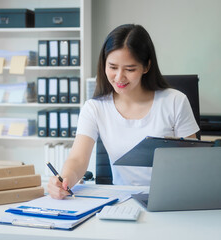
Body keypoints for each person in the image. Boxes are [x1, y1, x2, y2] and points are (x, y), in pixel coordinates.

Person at [47, 24, 199, 199]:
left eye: (130, 69)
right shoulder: (94, 108)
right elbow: (78, 159)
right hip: (123, 200)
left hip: (172, 197)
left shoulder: (175, 101)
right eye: (112, 67)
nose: (119, 77)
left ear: (147, 66)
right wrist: (65, 179)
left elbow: (192, 163)